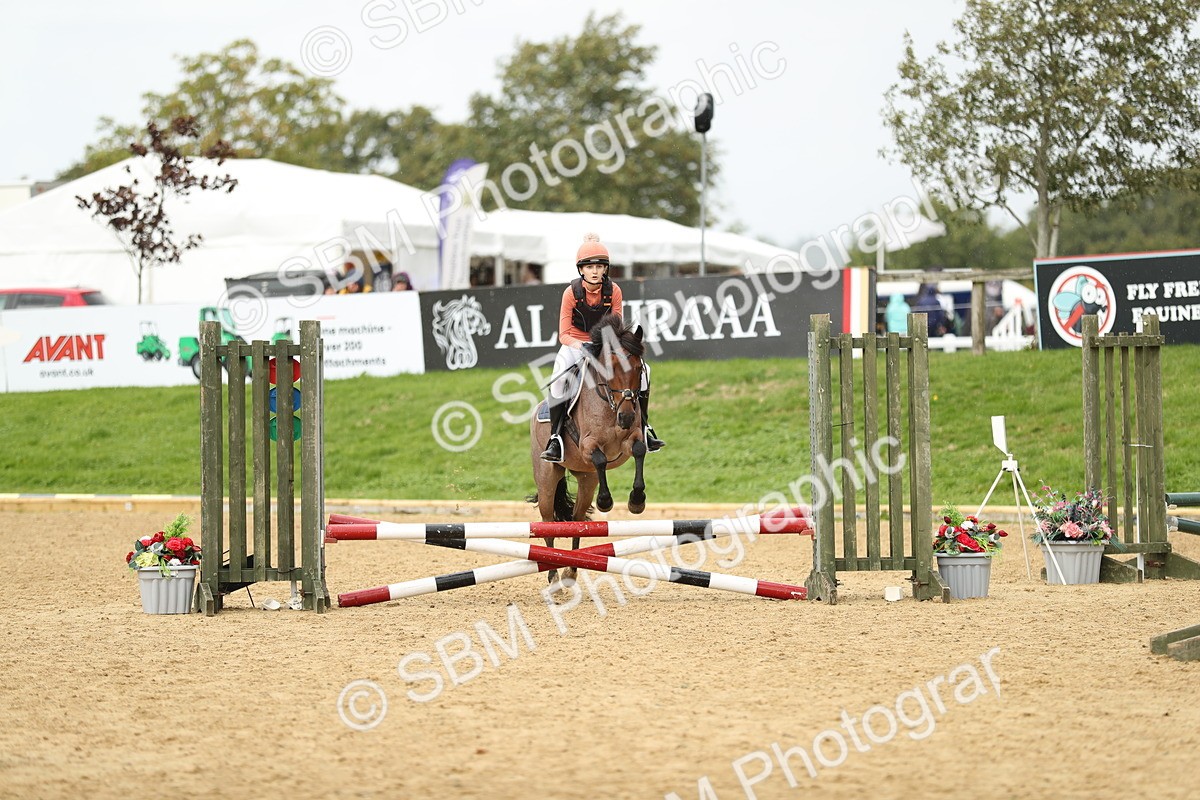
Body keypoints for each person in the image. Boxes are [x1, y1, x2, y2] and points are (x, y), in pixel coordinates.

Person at [540, 233, 664, 463]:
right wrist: (581, 345)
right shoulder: (571, 293)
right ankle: (556, 438)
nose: (595, 271)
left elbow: (616, 326)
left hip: (605, 347)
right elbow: (564, 334)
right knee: (558, 379)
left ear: (605, 269)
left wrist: (605, 347)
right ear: (581, 270)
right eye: (590, 267)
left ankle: (646, 428)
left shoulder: (613, 291)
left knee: (645, 371)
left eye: (599, 266)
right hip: (575, 345)